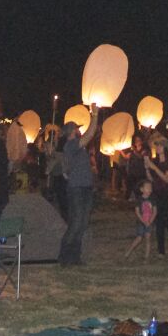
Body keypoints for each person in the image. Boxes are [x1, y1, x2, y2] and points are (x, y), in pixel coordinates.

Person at [57, 112, 102, 266]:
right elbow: (90, 134)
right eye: (77, 129)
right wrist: (95, 116)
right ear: (72, 132)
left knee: (82, 223)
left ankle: (74, 257)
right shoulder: (71, 145)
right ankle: (64, 256)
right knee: (76, 223)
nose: (79, 131)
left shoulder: (78, 147)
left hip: (85, 188)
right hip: (77, 189)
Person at [125, 180, 155, 261]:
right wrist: (143, 221)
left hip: (149, 222)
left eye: (150, 188)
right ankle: (129, 251)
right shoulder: (139, 199)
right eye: (147, 188)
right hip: (141, 223)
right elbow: (137, 211)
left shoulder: (152, 199)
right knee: (139, 238)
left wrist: (150, 221)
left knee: (148, 238)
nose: (150, 189)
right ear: (142, 189)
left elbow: (155, 211)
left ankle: (146, 256)